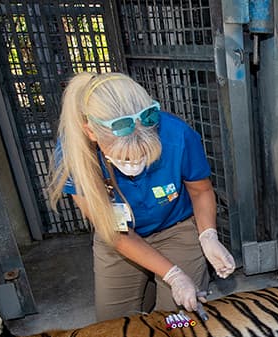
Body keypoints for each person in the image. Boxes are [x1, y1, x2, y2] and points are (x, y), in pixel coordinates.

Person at [47, 71, 235, 320]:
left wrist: (208, 235)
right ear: (91, 133)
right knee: (113, 330)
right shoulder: (74, 154)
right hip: (118, 236)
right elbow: (114, 233)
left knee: (180, 322)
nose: (135, 165)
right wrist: (173, 275)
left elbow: (200, 190)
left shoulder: (177, 134)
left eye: (145, 155)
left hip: (175, 228)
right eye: (125, 158)